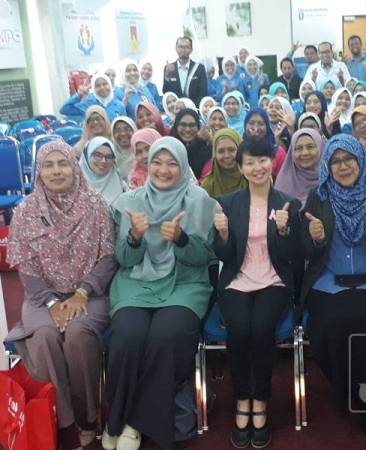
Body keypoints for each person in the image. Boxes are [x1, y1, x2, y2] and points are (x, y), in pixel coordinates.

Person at [104, 136, 216, 450]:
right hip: (136, 285)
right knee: (127, 335)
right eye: (157, 161)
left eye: (172, 163)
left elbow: (205, 259)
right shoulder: (131, 202)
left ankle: (130, 421)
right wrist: (136, 238)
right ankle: (123, 417)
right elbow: (124, 260)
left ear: (183, 167)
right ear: (147, 163)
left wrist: (181, 239)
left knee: (166, 335)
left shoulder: (199, 201)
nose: (164, 170)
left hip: (184, 284)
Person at [6, 141, 117, 450]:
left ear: (74, 166)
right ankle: (60, 419)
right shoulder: (26, 210)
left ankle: (87, 418)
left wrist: (82, 292)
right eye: (48, 165)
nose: (56, 171)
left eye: (62, 163)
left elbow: (108, 258)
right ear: (38, 171)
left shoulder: (95, 204)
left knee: (80, 335)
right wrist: (53, 303)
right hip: (43, 297)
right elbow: (25, 267)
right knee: (43, 337)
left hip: (90, 294)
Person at [299, 134, 366, 442]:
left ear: (361, 158)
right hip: (329, 282)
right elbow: (305, 250)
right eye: (335, 161)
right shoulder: (318, 197)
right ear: (327, 166)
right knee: (329, 325)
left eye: (349, 159)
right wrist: (315, 238)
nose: (343, 166)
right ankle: (353, 391)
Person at [213, 136, 301, 449]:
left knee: (262, 329)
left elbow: (294, 254)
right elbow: (224, 255)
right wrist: (223, 234)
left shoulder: (288, 203)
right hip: (238, 278)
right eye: (249, 162)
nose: (257, 167)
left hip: (274, 278)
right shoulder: (228, 203)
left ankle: (261, 399)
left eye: (263, 160)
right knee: (238, 331)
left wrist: (285, 230)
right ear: (241, 167)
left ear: (272, 162)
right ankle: (241, 398)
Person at [274, 128, 323, 207]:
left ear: (320, 148)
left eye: (310, 147)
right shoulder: (283, 184)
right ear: (292, 152)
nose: (305, 153)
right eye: (299, 148)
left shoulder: (331, 180)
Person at [79, 137, 127, 206]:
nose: (103, 161)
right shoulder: (74, 186)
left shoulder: (123, 187)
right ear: (87, 156)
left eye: (109, 156)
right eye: (98, 155)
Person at [60, 73, 126, 122]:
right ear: (93, 89)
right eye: (98, 85)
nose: (102, 87)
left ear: (110, 86)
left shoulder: (119, 105)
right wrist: (79, 95)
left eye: (105, 84)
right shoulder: (87, 104)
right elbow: (64, 110)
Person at [162, 36, 208, 106]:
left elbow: (203, 94)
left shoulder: (199, 68)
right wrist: (167, 77)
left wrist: (187, 106)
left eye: (186, 47)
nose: (183, 50)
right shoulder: (168, 68)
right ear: (176, 49)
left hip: (194, 109)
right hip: (175, 110)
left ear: (191, 50)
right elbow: (166, 93)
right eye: (180, 47)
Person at [201, 128, 247, 198]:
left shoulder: (251, 179)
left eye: (231, 150)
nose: (227, 155)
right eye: (221, 151)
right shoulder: (208, 186)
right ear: (214, 154)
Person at [243, 108, 287, 180]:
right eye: (251, 123)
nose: (256, 128)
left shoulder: (278, 152)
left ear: (267, 126)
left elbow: (283, 181)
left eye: (261, 124)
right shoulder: (239, 150)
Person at [170, 108, 212, 179]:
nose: (188, 129)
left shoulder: (206, 149)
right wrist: (197, 141)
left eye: (192, 125)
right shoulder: (169, 146)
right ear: (176, 126)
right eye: (183, 125)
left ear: (198, 126)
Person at [111, 116, 137, 181]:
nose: (123, 133)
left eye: (127, 129)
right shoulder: (109, 156)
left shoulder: (142, 154)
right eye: (118, 131)